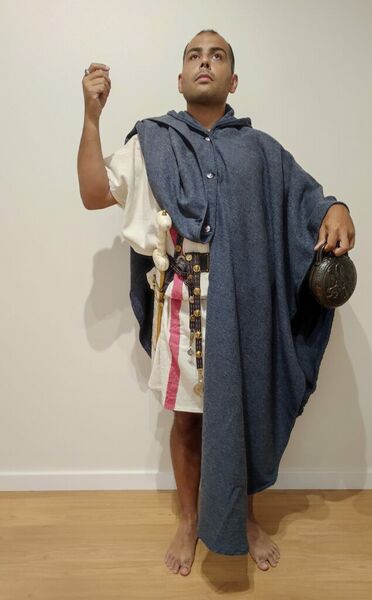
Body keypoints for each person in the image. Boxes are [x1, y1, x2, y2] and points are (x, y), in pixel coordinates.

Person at [77, 29, 356, 577]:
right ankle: (189, 520)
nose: (205, 62)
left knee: (244, 411)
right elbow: (92, 193)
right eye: (194, 55)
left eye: (217, 55)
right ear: (181, 78)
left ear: (233, 80)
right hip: (182, 304)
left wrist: (337, 207)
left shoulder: (262, 152)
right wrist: (91, 116)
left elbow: (309, 200)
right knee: (187, 421)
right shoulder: (153, 142)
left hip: (247, 304)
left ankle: (244, 517)